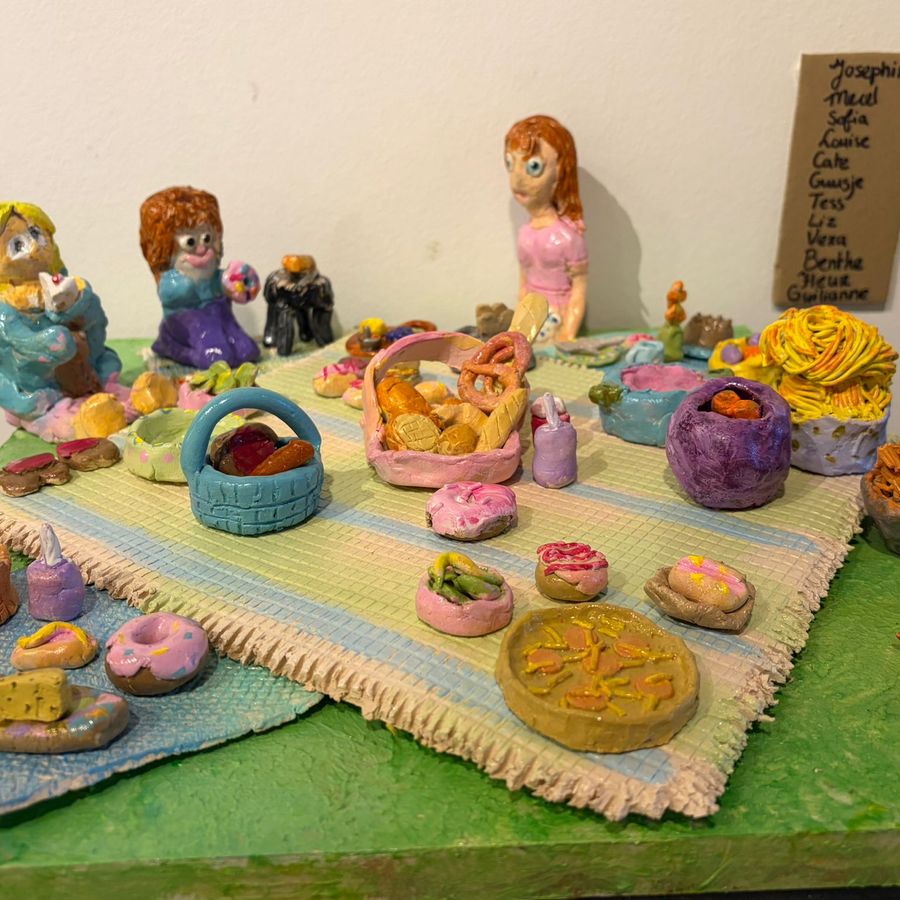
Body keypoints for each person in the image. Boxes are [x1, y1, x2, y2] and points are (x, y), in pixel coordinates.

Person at [140, 186, 260, 368]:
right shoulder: (173, 280)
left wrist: (232, 285)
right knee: (217, 358)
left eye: (207, 238)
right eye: (190, 242)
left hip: (221, 314)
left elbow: (222, 282)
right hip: (188, 320)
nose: (202, 248)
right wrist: (189, 285)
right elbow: (170, 294)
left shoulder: (213, 274)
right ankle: (173, 347)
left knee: (248, 351)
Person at [505, 115, 588, 342]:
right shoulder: (525, 233)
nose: (517, 179)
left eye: (533, 167)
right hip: (530, 321)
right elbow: (523, 283)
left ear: (560, 170)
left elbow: (579, 289)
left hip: (557, 320)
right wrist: (518, 326)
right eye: (510, 164)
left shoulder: (568, 237)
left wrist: (568, 332)